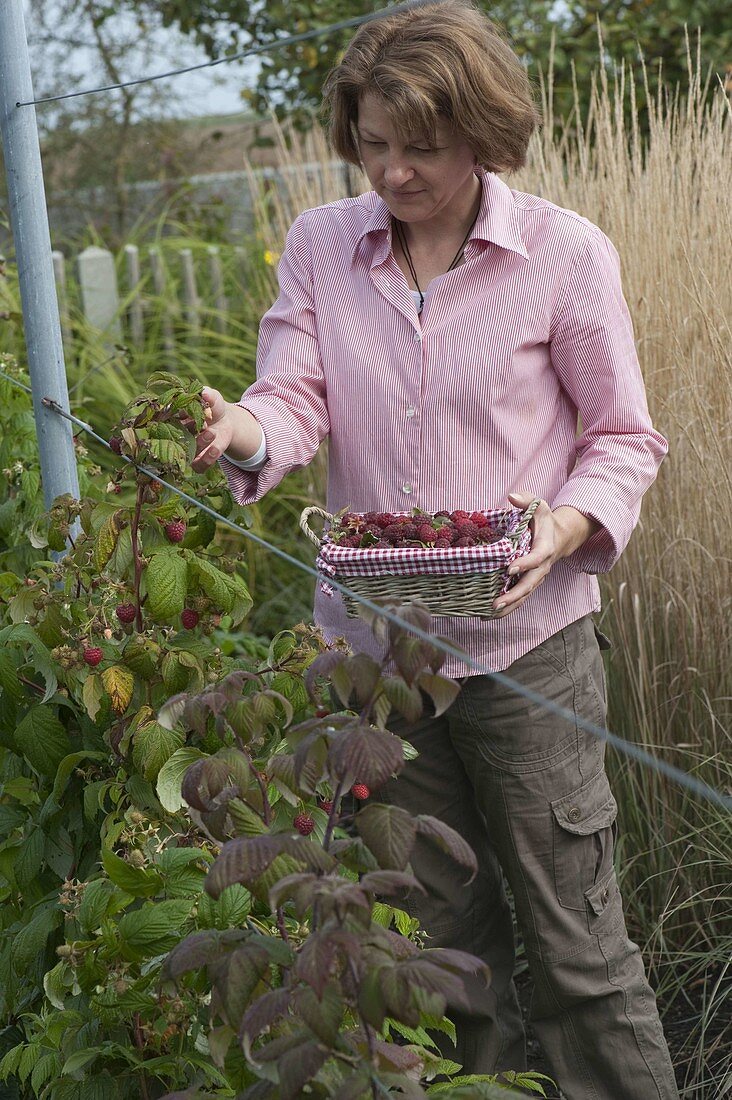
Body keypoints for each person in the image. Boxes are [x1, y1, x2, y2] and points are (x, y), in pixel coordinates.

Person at [189, 2, 679, 1096]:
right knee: (436, 953)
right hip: (377, 665)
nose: (394, 173)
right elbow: (292, 393)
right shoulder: (324, 243)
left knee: (578, 952)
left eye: (422, 147)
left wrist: (563, 522)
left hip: (526, 650)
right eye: (372, 143)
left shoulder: (563, 255)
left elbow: (622, 437)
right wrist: (244, 432)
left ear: (484, 134)